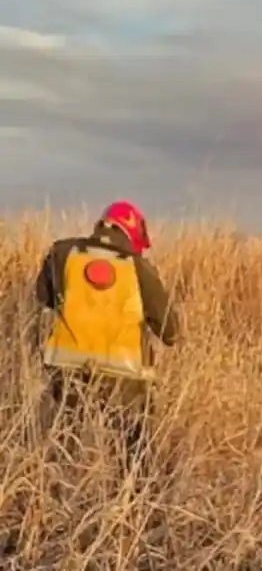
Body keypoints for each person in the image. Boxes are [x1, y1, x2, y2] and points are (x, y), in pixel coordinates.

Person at [33, 200, 181, 472]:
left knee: (63, 444)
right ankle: (135, 502)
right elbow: (170, 332)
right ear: (134, 233)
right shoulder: (139, 268)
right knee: (134, 451)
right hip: (125, 379)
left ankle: (53, 499)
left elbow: (44, 297)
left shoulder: (62, 253)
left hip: (67, 371)